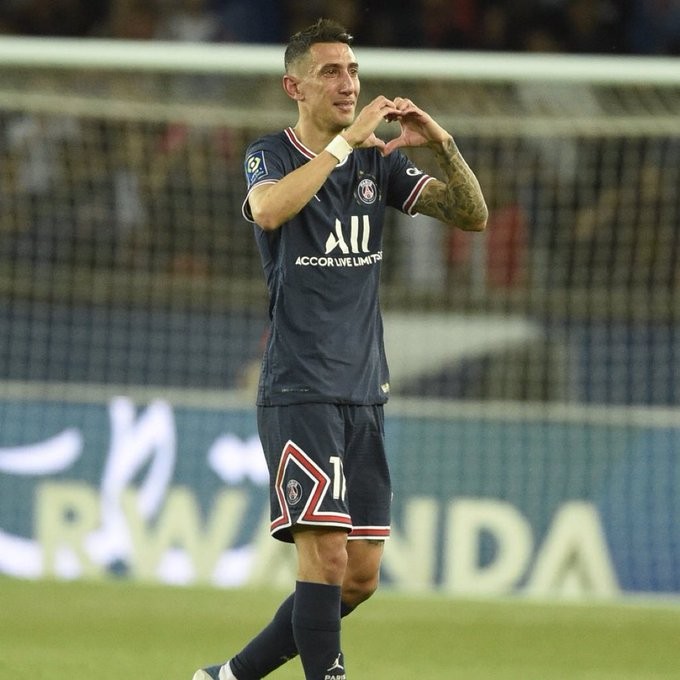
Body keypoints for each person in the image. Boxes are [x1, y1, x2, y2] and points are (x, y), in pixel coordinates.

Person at [193, 17, 487, 680]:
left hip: (364, 388)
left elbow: (472, 216)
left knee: (358, 576)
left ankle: (229, 677)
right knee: (323, 559)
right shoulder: (270, 154)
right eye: (331, 72)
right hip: (300, 386)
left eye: (353, 71)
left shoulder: (378, 162)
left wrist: (444, 145)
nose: (348, 83)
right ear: (294, 86)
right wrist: (341, 146)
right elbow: (270, 211)